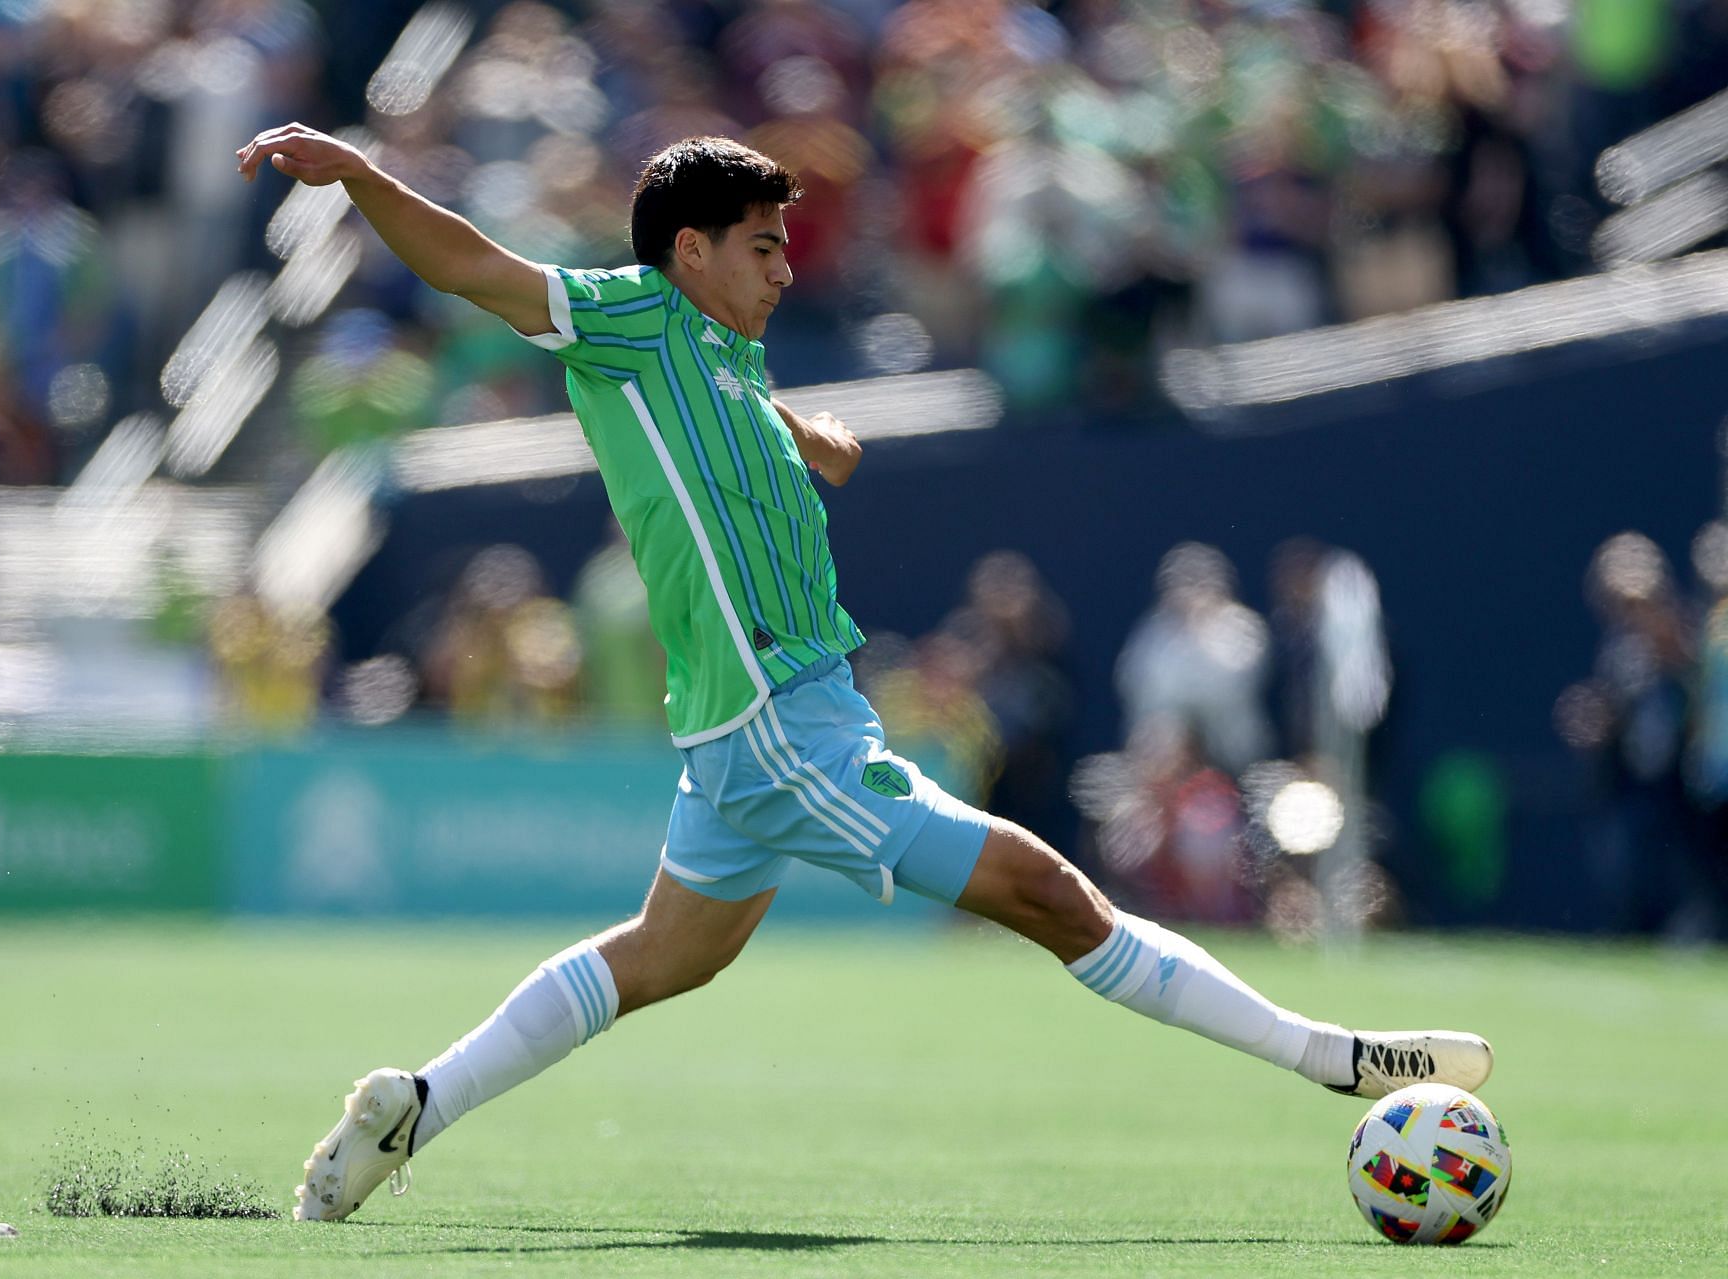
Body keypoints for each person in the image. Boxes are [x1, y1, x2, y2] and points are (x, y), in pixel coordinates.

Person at [233, 123, 1493, 1224]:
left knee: (666, 957)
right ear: (688, 250)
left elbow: (730, 418)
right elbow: (476, 268)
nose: (787, 266)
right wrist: (360, 177)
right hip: (781, 721)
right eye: (763, 245)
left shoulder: (725, 354)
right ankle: (1330, 1055)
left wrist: (804, 437)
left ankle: (416, 1105)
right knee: (1048, 891)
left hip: (772, 721)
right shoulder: (628, 317)